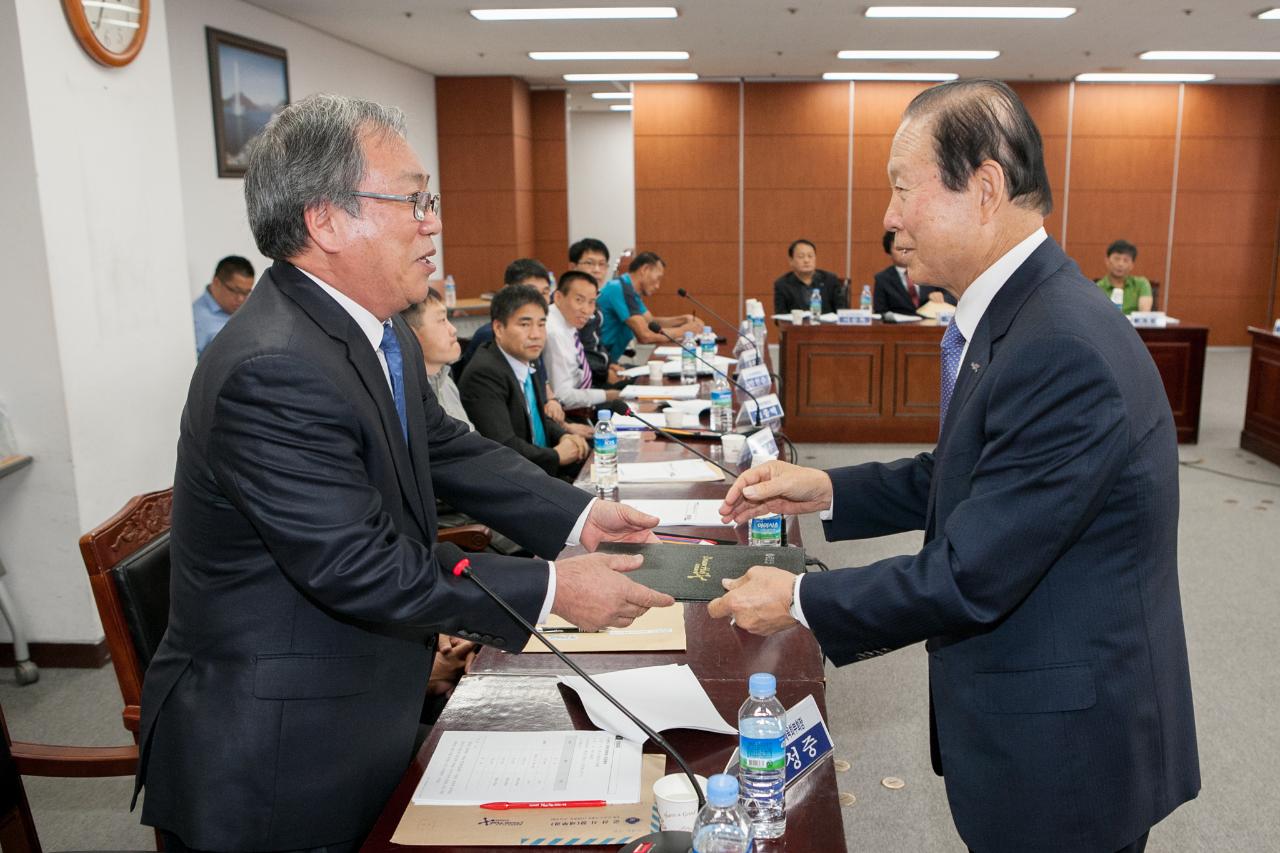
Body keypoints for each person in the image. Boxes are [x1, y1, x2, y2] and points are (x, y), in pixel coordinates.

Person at [136, 94, 673, 853]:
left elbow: (445, 446)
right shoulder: (273, 366)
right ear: (325, 221)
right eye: (413, 200)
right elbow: (358, 564)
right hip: (280, 757)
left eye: (432, 200)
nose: (435, 222)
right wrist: (554, 589)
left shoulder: (368, 326)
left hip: (366, 702)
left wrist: (577, 518)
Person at [709, 79, 1198, 853]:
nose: (889, 216)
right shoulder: (1023, 314)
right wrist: (832, 486)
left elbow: (972, 572)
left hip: (1066, 762)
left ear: (985, 189)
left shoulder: (1059, 346)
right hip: (1039, 724)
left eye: (904, 188)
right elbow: (977, 471)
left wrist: (803, 598)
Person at [458, 284, 590, 478]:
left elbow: (536, 414)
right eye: (525, 324)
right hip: (514, 480)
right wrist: (556, 455)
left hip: (540, 470)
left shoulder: (527, 356)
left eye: (541, 324)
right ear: (498, 328)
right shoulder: (485, 374)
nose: (536, 334)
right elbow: (503, 446)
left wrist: (564, 435)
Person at [597, 252, 701, 362]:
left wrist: (684, 319)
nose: (658, 286)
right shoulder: (619, 289)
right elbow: (645, 335)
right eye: (658, 278)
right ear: (645, 269)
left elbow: (651, 323)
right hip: (599, 366)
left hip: (609, 363)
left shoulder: (629, 290)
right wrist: (684, 331)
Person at [544, 270, 623, 412]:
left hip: (581, 391)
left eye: (591, 302)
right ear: (558, 297)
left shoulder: (567, 320)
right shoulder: (554, 332)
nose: (586, 310)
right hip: (567, 410)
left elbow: (574, 372)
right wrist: (608, 395)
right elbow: (563, 397)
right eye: (579, 300)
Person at [401, 289, 472, 430]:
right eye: (442, 320)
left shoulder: (445, 381)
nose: (453, 330)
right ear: (410, 333)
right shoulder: (407, 397)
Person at [569, 237, 619, 385]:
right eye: (589, 263)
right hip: (585, 381)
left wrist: (609, 364)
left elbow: (596, 341)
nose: (597, 270)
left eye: (602, 264)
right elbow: (577, 352)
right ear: (573, 267)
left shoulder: (596, 300)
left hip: (599, 370)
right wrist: (604, 374)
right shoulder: (569, 305)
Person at [873, 230, 955, 315]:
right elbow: (880, 311)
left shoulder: (931, 272)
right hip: (900, 327)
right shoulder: (882, 279)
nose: (904, 252)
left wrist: (942, 297)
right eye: (899, 249)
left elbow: (954, 297)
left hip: (931, 325)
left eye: (907, 248)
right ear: (889, 253)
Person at [191, 255, 254, 357]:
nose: (241, 299)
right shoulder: (195, 320)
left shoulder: (249, 310)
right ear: (216, 282)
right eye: (235, 291)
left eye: (246, 292)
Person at [772, 239, 847, 315]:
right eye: (801, 257)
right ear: (791, 261)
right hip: (797, 326)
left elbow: (842, 311)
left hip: (826, 326)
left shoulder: (830, 279)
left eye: (810, 256)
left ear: (815, 258)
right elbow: (780, 316)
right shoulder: (782, 284)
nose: (806, 260)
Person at [1096, 239, 1154, 314]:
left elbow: (1144, 313)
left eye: (1126, 260)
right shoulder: (1097, 287)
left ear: (1132, 265)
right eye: (1116, 259)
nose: (1121, 264)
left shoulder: (1141, 284)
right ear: (1107, 261)